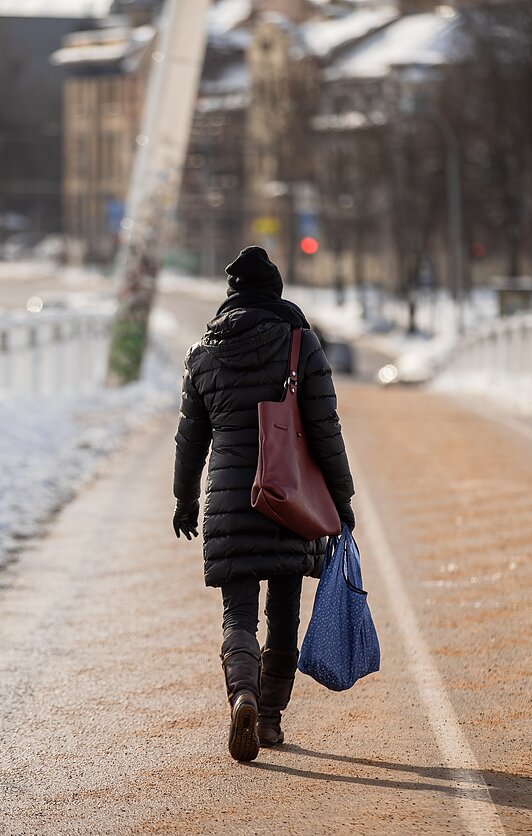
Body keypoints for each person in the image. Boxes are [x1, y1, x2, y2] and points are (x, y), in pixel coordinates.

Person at [172, 245, 355, 763]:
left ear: (231, 296)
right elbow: (324, 430)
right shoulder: (302, 344)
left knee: (238, 618)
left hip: (230, 501)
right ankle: (269, 720)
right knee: (283, 616)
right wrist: (341, 499)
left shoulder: (203, 353)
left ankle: (243, 697)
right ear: (275, 292)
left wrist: (184, 500)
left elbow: (190, 439)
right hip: (290, 497)